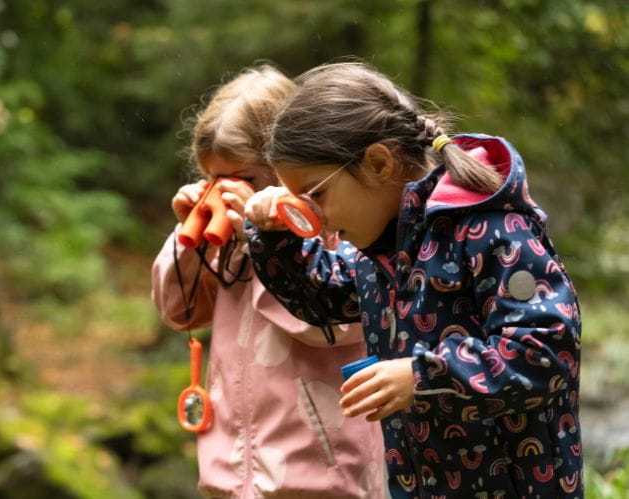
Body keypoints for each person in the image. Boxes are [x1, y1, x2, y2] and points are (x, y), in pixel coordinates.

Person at [243, 62, 583, 498]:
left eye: (315, 195)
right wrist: (276, 237)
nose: (316, 219)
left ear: (379, 164)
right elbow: (320, 297)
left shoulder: (492, 229)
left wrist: (421, 378)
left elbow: (546, 351)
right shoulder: (379, 252)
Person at [152, 65, 385, 498]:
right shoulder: (225, 235)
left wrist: (265, 243)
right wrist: (189, 240)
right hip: (231, 470)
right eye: (212, 179)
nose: (225, 193)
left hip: (319, 473)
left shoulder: (337, 228)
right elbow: (178, 310)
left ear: (285, 168)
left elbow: (327, 326)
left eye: (242, 179)